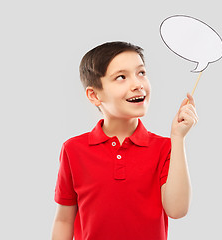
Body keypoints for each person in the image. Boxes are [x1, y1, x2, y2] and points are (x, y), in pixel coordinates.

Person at [51, 41, 198, 240]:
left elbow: (177, 210)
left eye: (141, 73)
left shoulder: (165, 148)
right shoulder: (73, 149)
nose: (138, 84)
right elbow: (64, 220)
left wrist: (178, 138)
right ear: (94, 95)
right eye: (121, 77)